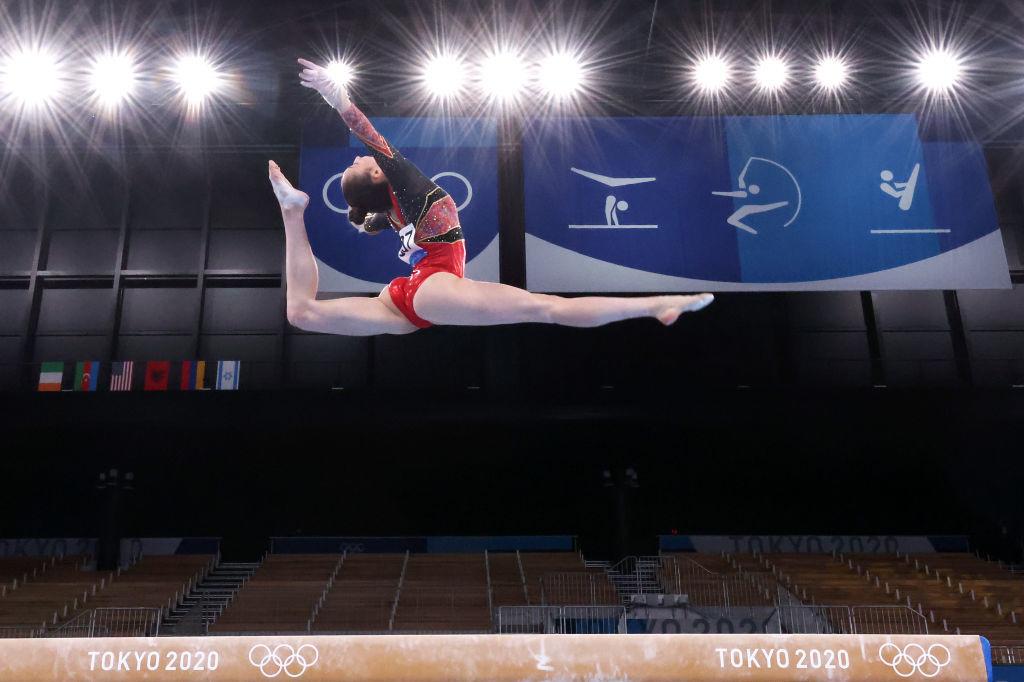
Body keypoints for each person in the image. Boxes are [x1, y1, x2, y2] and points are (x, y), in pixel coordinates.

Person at [267, 58, 714, 336]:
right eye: (358, 163)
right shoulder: (403, 185)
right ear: (378, 172)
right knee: (547, 309)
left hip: (407, 298)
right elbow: (369, 133)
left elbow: (367, 209)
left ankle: (293, 213)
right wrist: (337, 97)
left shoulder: (393, 210)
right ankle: (656, 304)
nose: (361, 158)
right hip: (428, 288)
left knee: (302, 313)